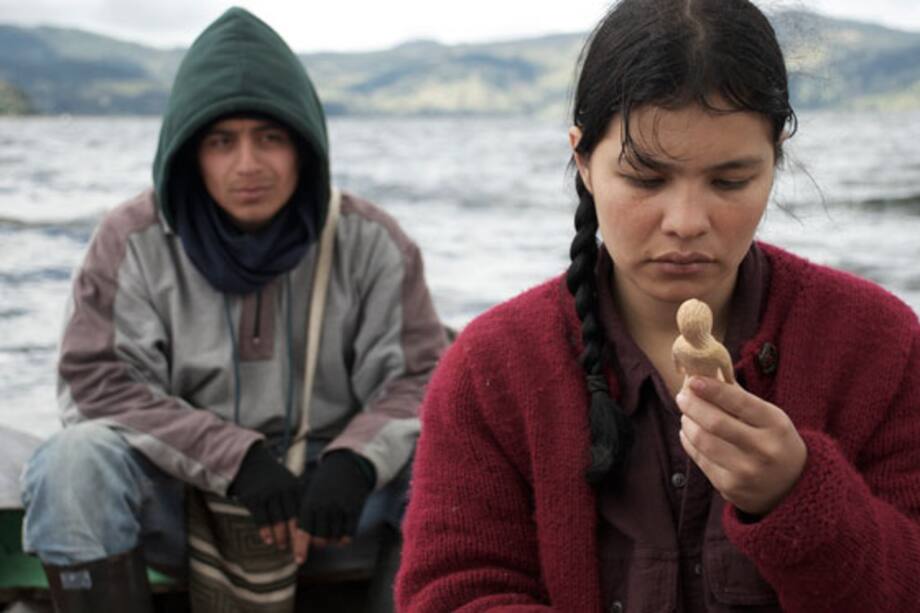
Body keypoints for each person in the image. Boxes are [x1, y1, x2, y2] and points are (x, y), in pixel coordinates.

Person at [395, 0, 920, 611]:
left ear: (775, 159)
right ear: (583, 160)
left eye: (730, 182)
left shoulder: (878, 343)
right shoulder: (492, 367)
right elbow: (454, 593)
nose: (686, 222)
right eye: (646, 179)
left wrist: (797, 496)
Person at [19, 7, 447, 612]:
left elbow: (423, 376)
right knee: (71, 465)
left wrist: (355, 460)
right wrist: (235, 459)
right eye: (222, 141)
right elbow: (98, 384)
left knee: (455, 458)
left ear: (304, 144)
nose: (248, 164)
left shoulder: (369, 240)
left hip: (331, 508)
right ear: (190, 151)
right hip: (181, 500)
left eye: (270, 137)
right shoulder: (132, 240)